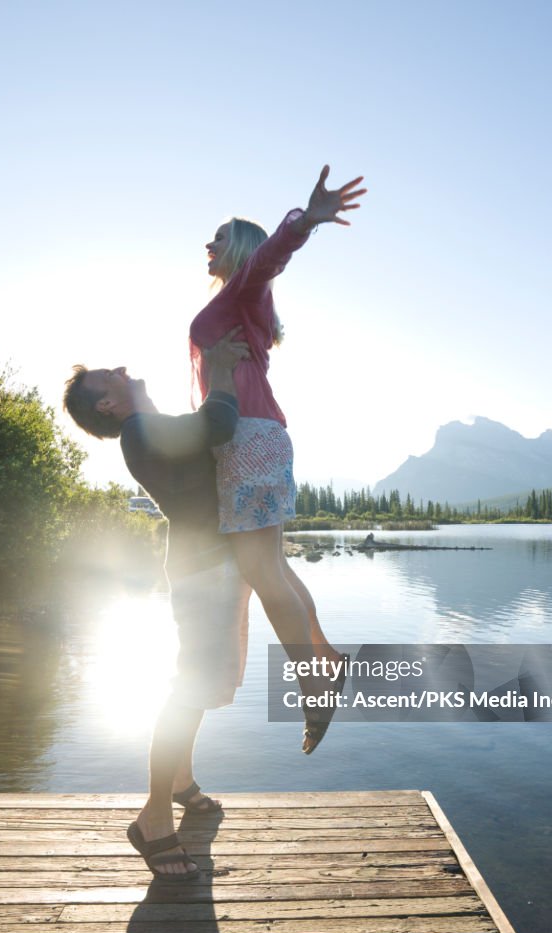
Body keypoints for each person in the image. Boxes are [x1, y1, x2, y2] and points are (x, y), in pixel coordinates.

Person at [63, 329, 251, 880]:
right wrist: (219, 368)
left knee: (203, 685)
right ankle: (152, 820)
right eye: (109, 375)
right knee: (189, 687)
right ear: (108, 403)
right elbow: (218, 424)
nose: (121, 368)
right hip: (203, 570)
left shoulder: (148, 426)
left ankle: (180, 781)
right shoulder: (141, 430)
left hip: (208, 564)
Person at [189, 165, 365, 753]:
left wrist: (303, 222)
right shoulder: (236, 308)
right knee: (275, 568)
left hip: (248, 438)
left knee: (263, 573)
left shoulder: (244, 287)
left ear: (238, 249)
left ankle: (316, 688)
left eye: (218, 236)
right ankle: (329, 662)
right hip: (259, 436)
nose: (206, 244)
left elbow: (267, 261)